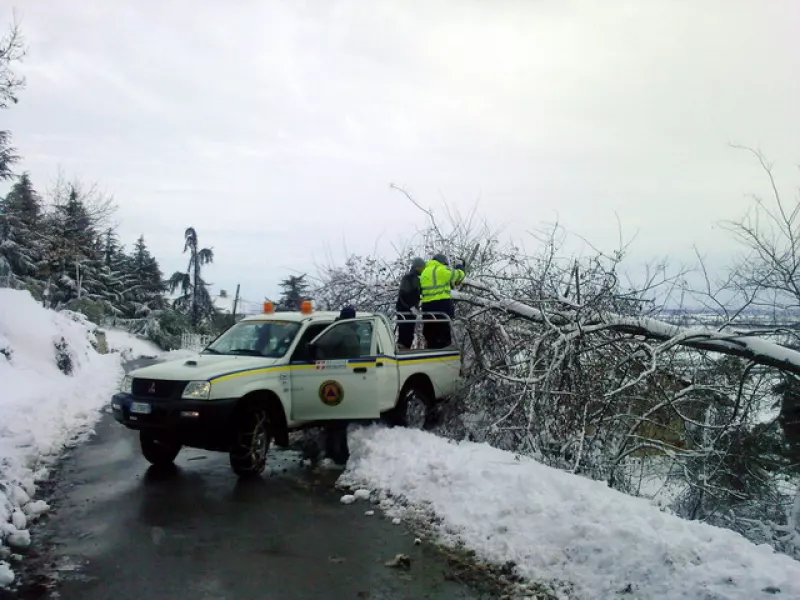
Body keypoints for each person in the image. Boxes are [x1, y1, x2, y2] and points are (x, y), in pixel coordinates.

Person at [420, 253, 466, 348]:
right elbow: (458, 275)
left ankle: (431, 347)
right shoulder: (441, 270)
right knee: (443, 329)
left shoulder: (424, 271)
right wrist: (460, 266)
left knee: (430, 330)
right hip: (441, 305)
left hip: (427, 306)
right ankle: (444, 347)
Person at [395, 257, 426, 349]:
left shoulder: (417, 279)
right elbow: (403, 294)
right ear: (416, 267)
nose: (422, 270)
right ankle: (402, 347)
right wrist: (409, 307)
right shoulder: (408, 278)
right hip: (405, 309)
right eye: (421, 268)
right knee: (405, 330)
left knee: (409, 331)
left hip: (411, 309)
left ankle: (405, 347)